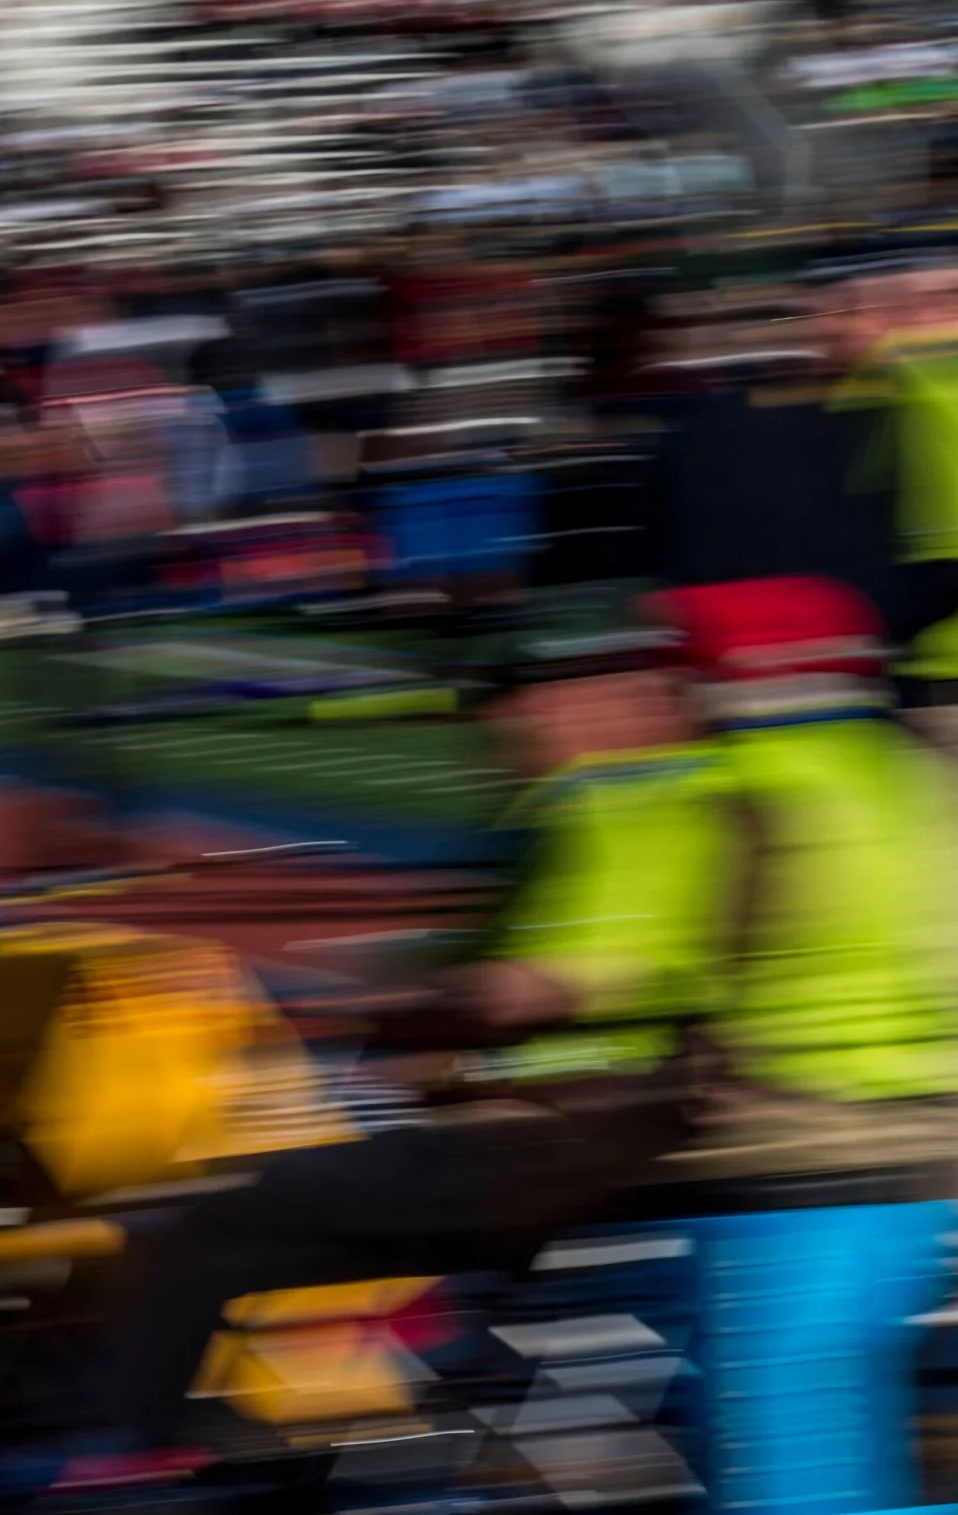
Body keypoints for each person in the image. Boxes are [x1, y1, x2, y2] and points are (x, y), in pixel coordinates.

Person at [67, 577, 958, 1511]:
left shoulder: (710, 792)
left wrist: (392, 1014)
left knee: (226, 1221)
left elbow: (582, 980)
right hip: (902, 1158)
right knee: (819, 1429)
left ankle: (138, 1461)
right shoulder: (914, 775)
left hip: (740, 1157)